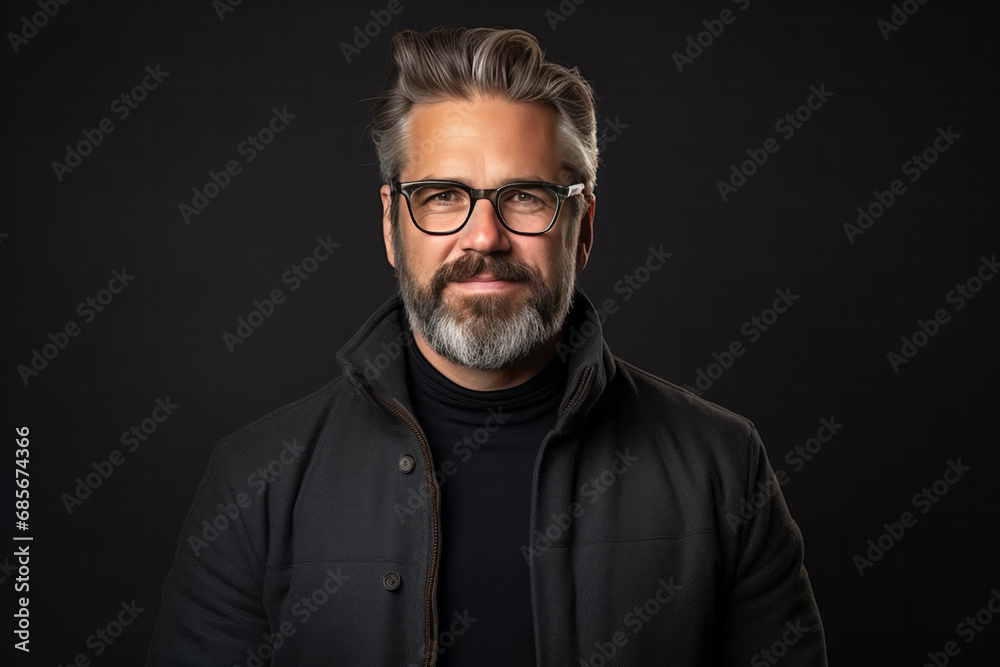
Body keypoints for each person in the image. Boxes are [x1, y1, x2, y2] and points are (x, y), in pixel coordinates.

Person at [146, 26, 827, 666]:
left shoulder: (722, 467)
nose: (484, 237)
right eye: (443, 195)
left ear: (582, 227)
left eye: (525, 196)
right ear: (391, 223)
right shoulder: (255, 480)